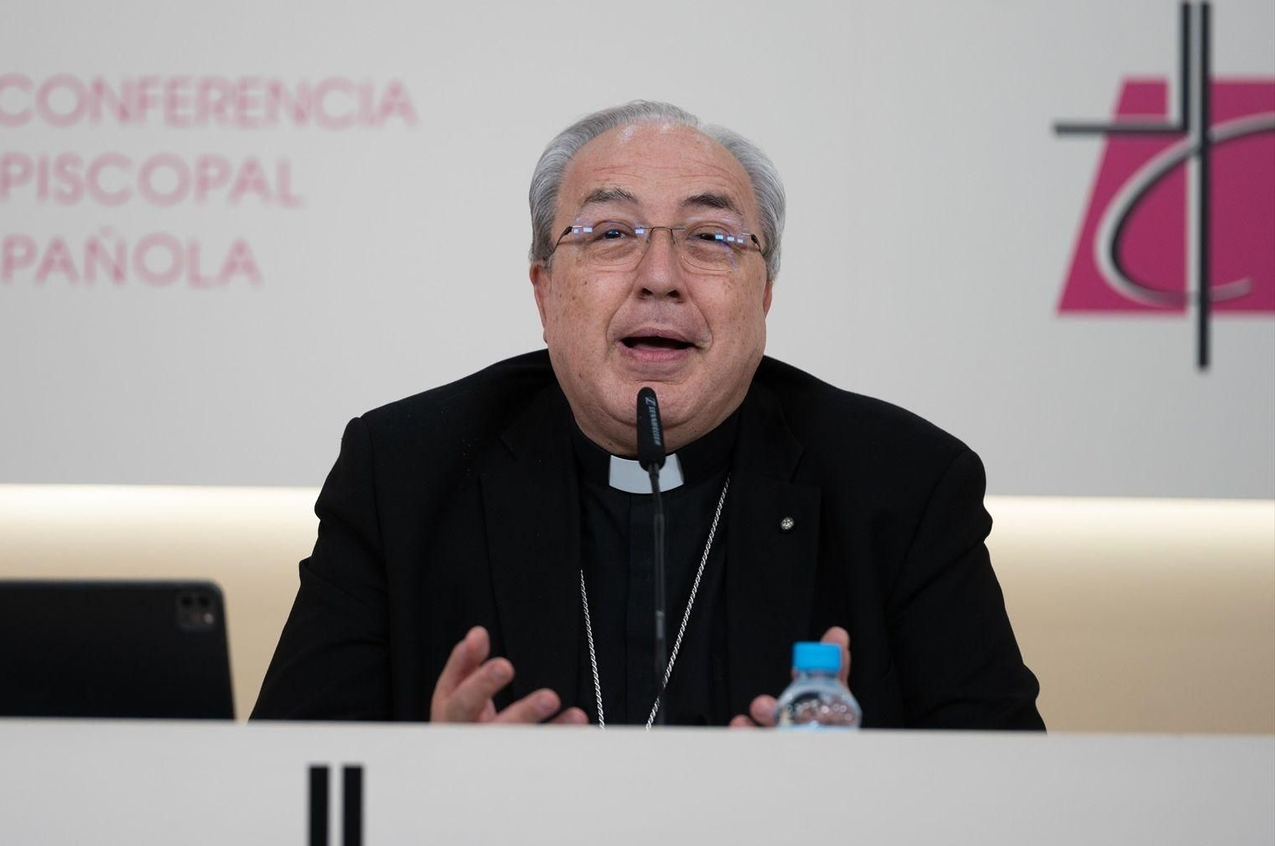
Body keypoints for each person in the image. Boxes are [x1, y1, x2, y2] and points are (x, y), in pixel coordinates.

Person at [251, 101, 1043, 729]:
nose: (659, 275)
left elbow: (1015, 800)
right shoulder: (403, 472)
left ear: (764, 298)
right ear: (543, 292)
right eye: (611, 233)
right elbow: (278, 793)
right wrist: (440, 791)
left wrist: (837, 809)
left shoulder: (903, 488)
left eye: (710, 237)